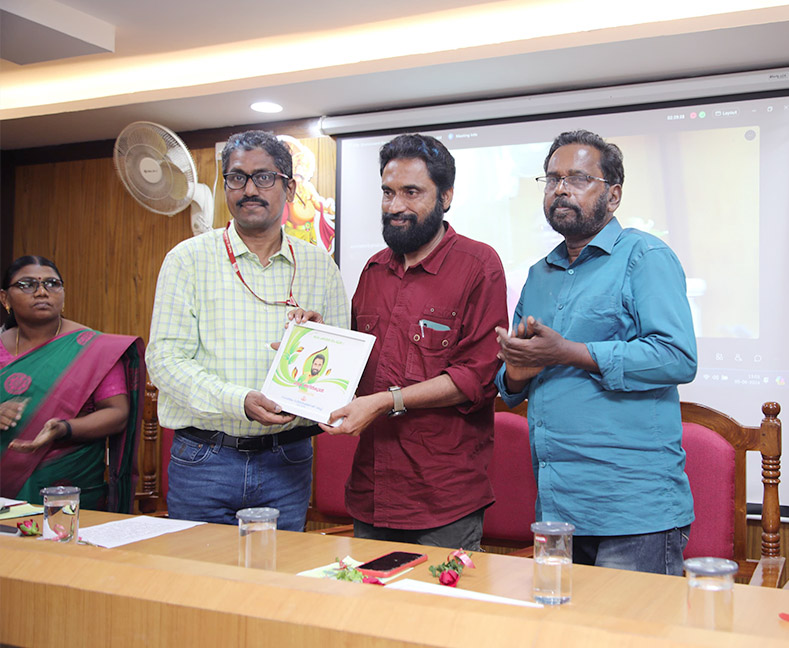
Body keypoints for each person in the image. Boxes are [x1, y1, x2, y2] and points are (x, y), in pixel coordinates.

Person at [494, 130, 698, 574]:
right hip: (558, 508)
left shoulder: (645, 256)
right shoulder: (538, 275)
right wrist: (516, 369)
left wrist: (568, 351)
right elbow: (510, 388)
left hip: (633, 511)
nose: (561, 189)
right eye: (551, 180)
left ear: (614, 195)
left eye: (578, 178)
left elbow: (677, 356)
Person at [147, 130, 349, 532]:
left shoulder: (318, 265)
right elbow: (163, 361)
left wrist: (321, 347)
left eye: (264, 177)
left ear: (289, 188)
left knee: (277, 587)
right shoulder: (188, 259)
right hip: (205, 458)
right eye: (237, 178)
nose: (249, 189)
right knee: (200, 584)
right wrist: (238, 400)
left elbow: (341, 369)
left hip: (287, 460)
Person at [322, 134, 507, 550]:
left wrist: (387, 402)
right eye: (387, 192)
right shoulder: (373, 269)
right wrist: (316, 337)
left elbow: (475, 378)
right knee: (370, 612)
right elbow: (355, 365)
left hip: (441, 500)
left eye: (411, 192)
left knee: (441, 615)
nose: (395, 206)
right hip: (370, 492)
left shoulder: (479, 266)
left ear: (446, 197)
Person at [0, 255, 144, 512]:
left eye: (52, 284)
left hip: (69, 487)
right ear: (4, 298)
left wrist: (63, 428)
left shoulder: (93, 348)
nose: (42, 291)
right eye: (27, 284)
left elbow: (117, 414)